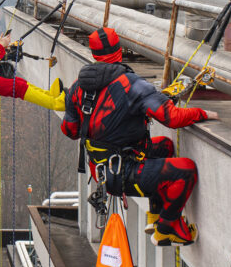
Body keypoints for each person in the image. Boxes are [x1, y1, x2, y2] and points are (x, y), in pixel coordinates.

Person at [61, 27, 218, 246]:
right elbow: (172, 118)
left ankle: (155, 217)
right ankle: (167, 229)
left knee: (164, 146)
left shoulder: (78, 88)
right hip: (124, 173)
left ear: (94, 54)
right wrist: (202, 114)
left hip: (102, 172)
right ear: (119, 50)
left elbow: (70, 131)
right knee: (185, 170)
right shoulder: (131, 84)